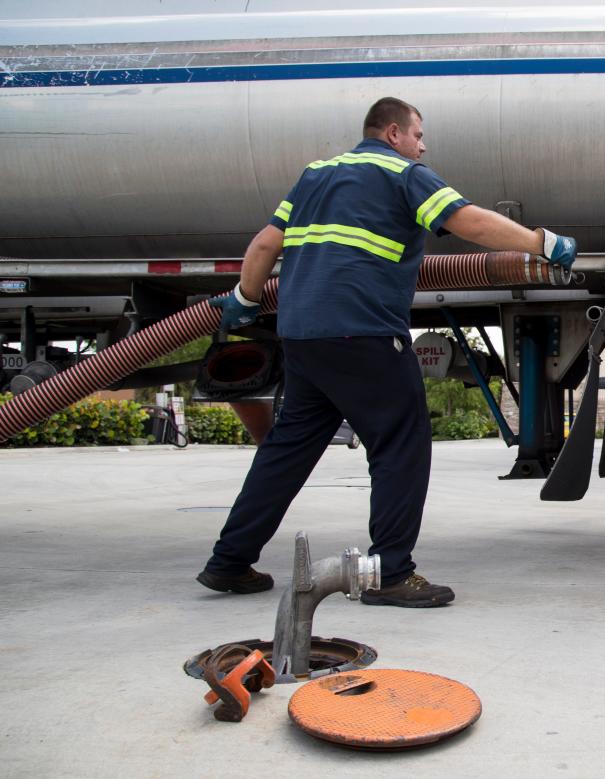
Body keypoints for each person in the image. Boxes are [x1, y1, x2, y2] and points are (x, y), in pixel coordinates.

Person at [196, 97, 576, 607]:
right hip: (364, 333)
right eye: (419, 135)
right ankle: (391, 573)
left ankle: (229, 562)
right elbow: (469, 222)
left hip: (304, 337)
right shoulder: (403, 174)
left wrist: (243, 301)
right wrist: (543, 242)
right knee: (401, 444)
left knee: (285, 453)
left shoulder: (316, 175)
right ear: (394, 132)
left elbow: (265, 245)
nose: (423, 146)